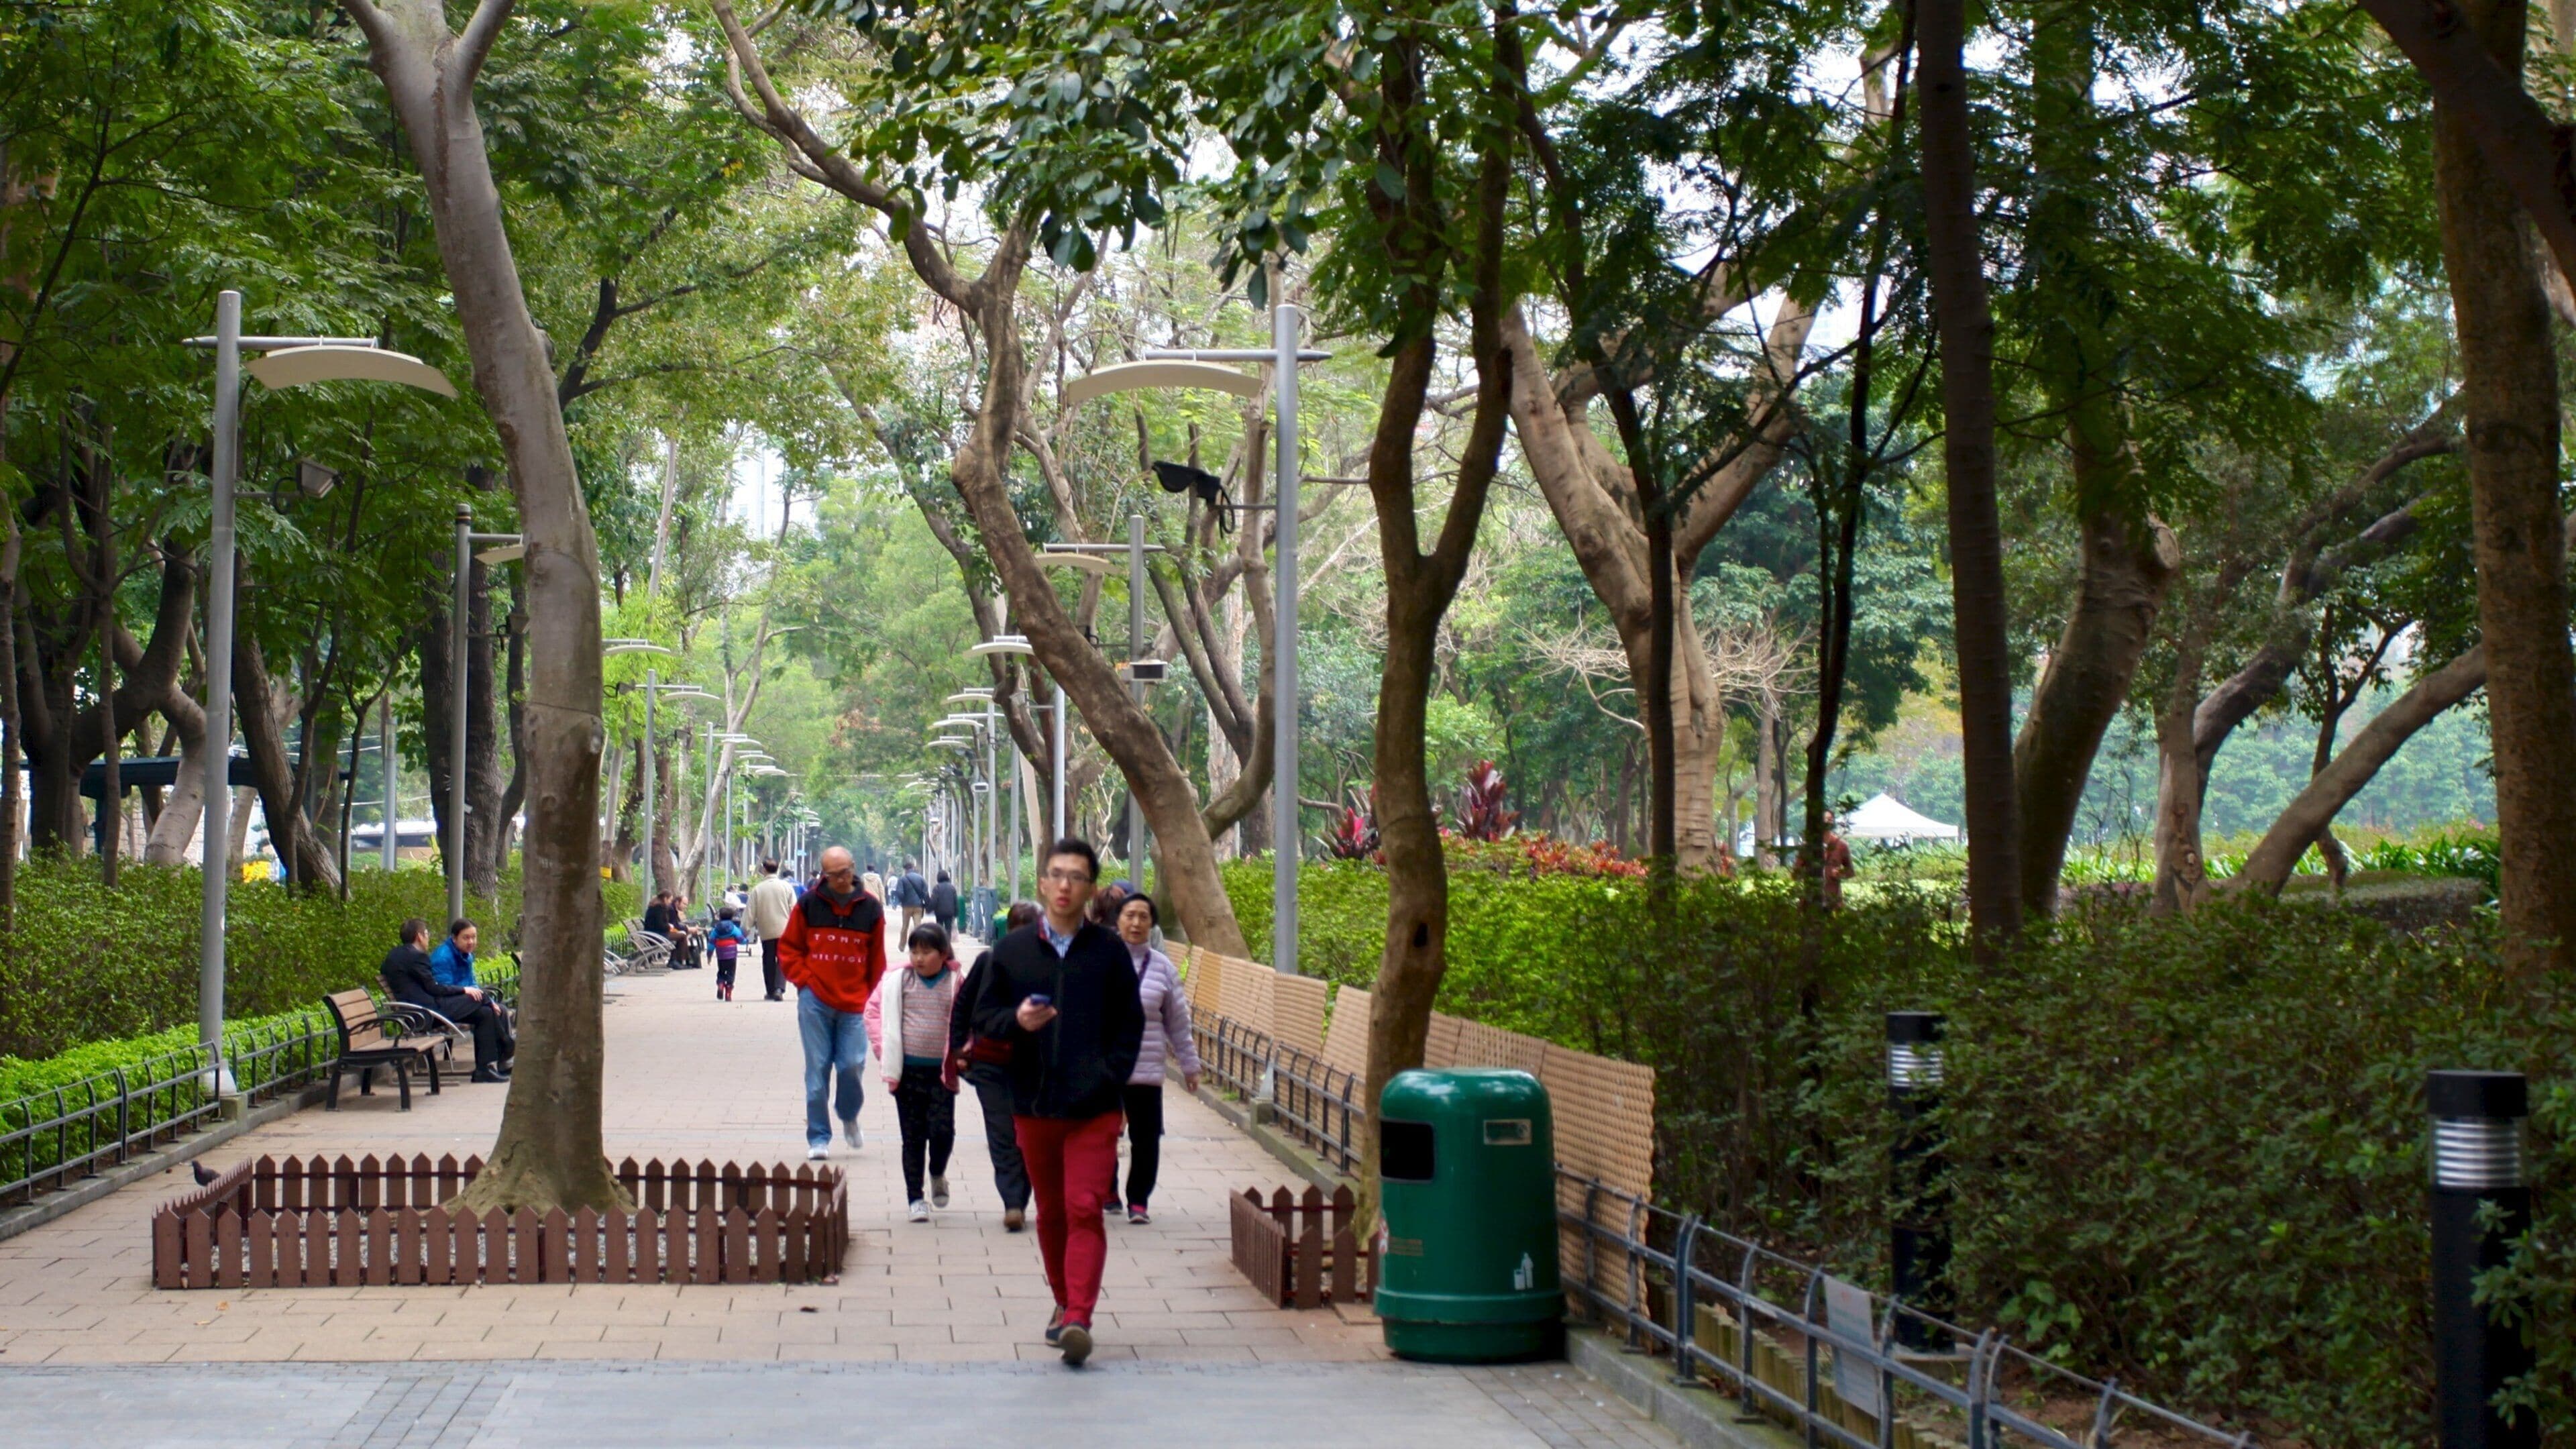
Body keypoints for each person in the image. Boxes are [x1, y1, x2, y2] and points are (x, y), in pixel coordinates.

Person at [969, 837, 1143, 1367]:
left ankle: (1079, 1318)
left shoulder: (1109, 951)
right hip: (1033, 1102)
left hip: (1095, 1107)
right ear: (1042, 883)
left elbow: (1130, 1023)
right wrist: (1016, 1022)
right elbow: (983, 1016)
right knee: (1051, 1213)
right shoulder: (1012, 951)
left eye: (1077, 877)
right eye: (1056, 875)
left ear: (1091, 889)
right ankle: (1063, 1300)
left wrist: (1111, 1076)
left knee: (1084, 1207)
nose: (1065, 885)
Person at [779, 847, 889, 1161]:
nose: (843, 879)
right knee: (818, 1068)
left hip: (855, 1001)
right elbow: (789, 948)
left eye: (846, 871)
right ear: (824, 875)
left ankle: (849, 1114)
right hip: (815, 999)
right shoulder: (809, 904)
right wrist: (804, 981)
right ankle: (818, 1136)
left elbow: (877, 959)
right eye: (835, 874)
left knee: (852, 1065)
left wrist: (873, 996)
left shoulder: (870, 908)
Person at [1107, 893, 1197, 1224]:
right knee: (1102, 1135)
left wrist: (1190, 1066)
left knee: (1145, 1139)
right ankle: (1108, 1191)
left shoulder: (1163, 969)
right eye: (1130, 915)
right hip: (1107, 1070)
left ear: (1152, 924)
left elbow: (1178, 1023)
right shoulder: (1101, 961)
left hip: (1146, 1070)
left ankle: (1139, 1200)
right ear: (1118, 920)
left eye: (1143, 917)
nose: (1136, 923)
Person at [951, 901, 1038, 1232]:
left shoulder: (1049, 965)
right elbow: (963, 1005)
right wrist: (958, 1047)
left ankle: (1023, 1193)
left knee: (1028, 1134)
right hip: (991, 1063)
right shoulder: (989, 962)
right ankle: (1013, 1202)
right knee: (1002, 1132)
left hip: (1034, 1066)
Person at [869, 924, 962, 1222]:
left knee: (943, 1132)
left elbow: (970, 1017)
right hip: (907, 1072)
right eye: (914, 951)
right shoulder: (899, 980)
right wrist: (885, 1050)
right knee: (913, 1137)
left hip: (942, 1073)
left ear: (943, 954)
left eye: (927, 952)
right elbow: (872, 1013)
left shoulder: (955, 982)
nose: (919, 958)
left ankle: (937, 1172)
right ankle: (915, 1198)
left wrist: (966, 1052)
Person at [381, 918, 512, 1082]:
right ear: (419, 936)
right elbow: (434, 988)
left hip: (417, 1011)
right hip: (426, 1013)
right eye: (427, 934)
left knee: (484, 1013)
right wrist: (465, 990)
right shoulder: (417, 957)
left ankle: (484, 1070)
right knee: (481, 998)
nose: (428, 939)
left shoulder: (394, 955)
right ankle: (506, 1044)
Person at [749, 859, 798, 1002]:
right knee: (782, 959)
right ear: (777, 869)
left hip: (766, 930)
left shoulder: (758, 889)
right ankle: (779, 989)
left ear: (764, 870)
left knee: (768, 959)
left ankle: (770, 990)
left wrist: (745, 929)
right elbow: (794, 909)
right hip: (785, 930)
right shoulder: (786, 887)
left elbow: (751, 911)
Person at [708, 907, 751, 1002]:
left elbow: (711, 943)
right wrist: (746, 940)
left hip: (721, 956)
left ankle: (720, 984)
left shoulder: (716, 930)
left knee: (721, 972)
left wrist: (709, 956)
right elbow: (741, 940)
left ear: (719, 917)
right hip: (732, 957)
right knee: (731, 973)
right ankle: (728, 993)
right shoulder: (734, 928)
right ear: (732, 917)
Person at [430, 918, 482, 988]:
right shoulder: (442, 958)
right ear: (454, 938)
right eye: (466, 938)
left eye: (474, 937)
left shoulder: (467, 955)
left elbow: (472, 983)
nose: (471, 942)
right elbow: (445, 990)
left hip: (464, 996)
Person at [896, 859, 929, 939]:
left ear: (905, 869)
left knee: (905, 927)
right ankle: (919, 943)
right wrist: (927, 904)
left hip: (907, 906)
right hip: (918, 906)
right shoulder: (921, 878)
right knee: (918, 927)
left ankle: (902, 945)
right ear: (913, 868)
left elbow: (900, 893)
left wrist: (902, 901)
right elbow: (925, 893)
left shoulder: (902, 879)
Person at [929, 868, 959, 936]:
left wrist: (929, 909)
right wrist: (956, 913)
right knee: (948, 929)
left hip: (939, 912)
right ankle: (947, 943)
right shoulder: (952, 888)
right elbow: (955, 901)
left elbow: (934, 900)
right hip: (950, 913)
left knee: (939, 929)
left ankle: (940, 942)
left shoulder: (937, 888)